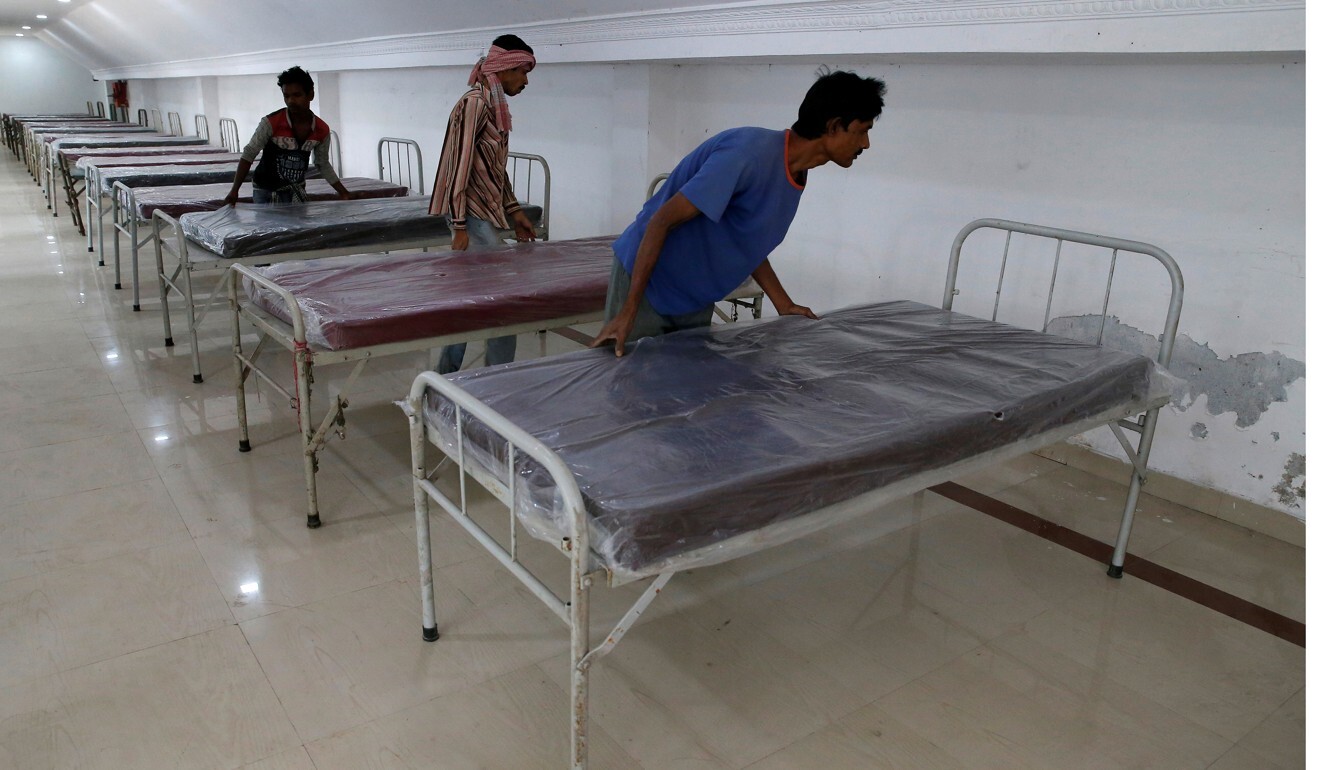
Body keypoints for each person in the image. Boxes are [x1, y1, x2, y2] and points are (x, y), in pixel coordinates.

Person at [591, 69, 886, 357]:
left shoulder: (795, 177)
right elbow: (660, 222)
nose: (865, 144)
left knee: (679, 394)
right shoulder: (747, 153)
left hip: (696, 295)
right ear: (834, 126)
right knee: (631, 393)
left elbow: (747, 245)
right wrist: (629, 310)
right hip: (651, 286)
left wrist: (783, 303)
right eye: (862, 131)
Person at [429, 34, 539, 375]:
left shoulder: (496, 108)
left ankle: (448, 373)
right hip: (469, 214)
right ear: (504, 69)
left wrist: (515, 211)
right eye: (522, 71)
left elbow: (494, 169)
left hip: (482, 213)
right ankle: (498, 376)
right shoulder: (475, 103)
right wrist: (459, 226)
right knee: (504, 297)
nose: (525, 80)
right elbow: (458, 166)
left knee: (472, 297)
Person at [224, 66, 352, 206]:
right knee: (269, 227)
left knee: (298, 227)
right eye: (286, 96)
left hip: (295, 189)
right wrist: (234, 190)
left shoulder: (321, 129)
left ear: (310, 95)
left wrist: (343, 192)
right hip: (266, 190)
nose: (291, 101)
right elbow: (249, 154)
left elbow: (322, 163)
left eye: (297, 95)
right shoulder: (271, 123)